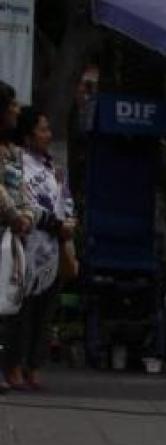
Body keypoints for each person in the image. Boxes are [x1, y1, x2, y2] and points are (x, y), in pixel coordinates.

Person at [3, 108, 75, 390]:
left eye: (48, 129)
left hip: (53, 248)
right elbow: (19, 200)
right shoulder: (16, 161)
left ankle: (34, 365)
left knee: (45, 313)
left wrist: (69, 220)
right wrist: (53, 223)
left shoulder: (53, 167)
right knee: (22, 311)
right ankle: (13, 365)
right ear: (29, 134)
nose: (48, 135)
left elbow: (65, 199)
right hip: (26, 243)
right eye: (43, 129)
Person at [0, 82, 34, 392]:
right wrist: (14, 215)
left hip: (11, 239)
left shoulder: (13, 152)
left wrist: (28, 215)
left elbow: (21, 190)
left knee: (7, 304)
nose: (17, 109)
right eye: (12, 104)